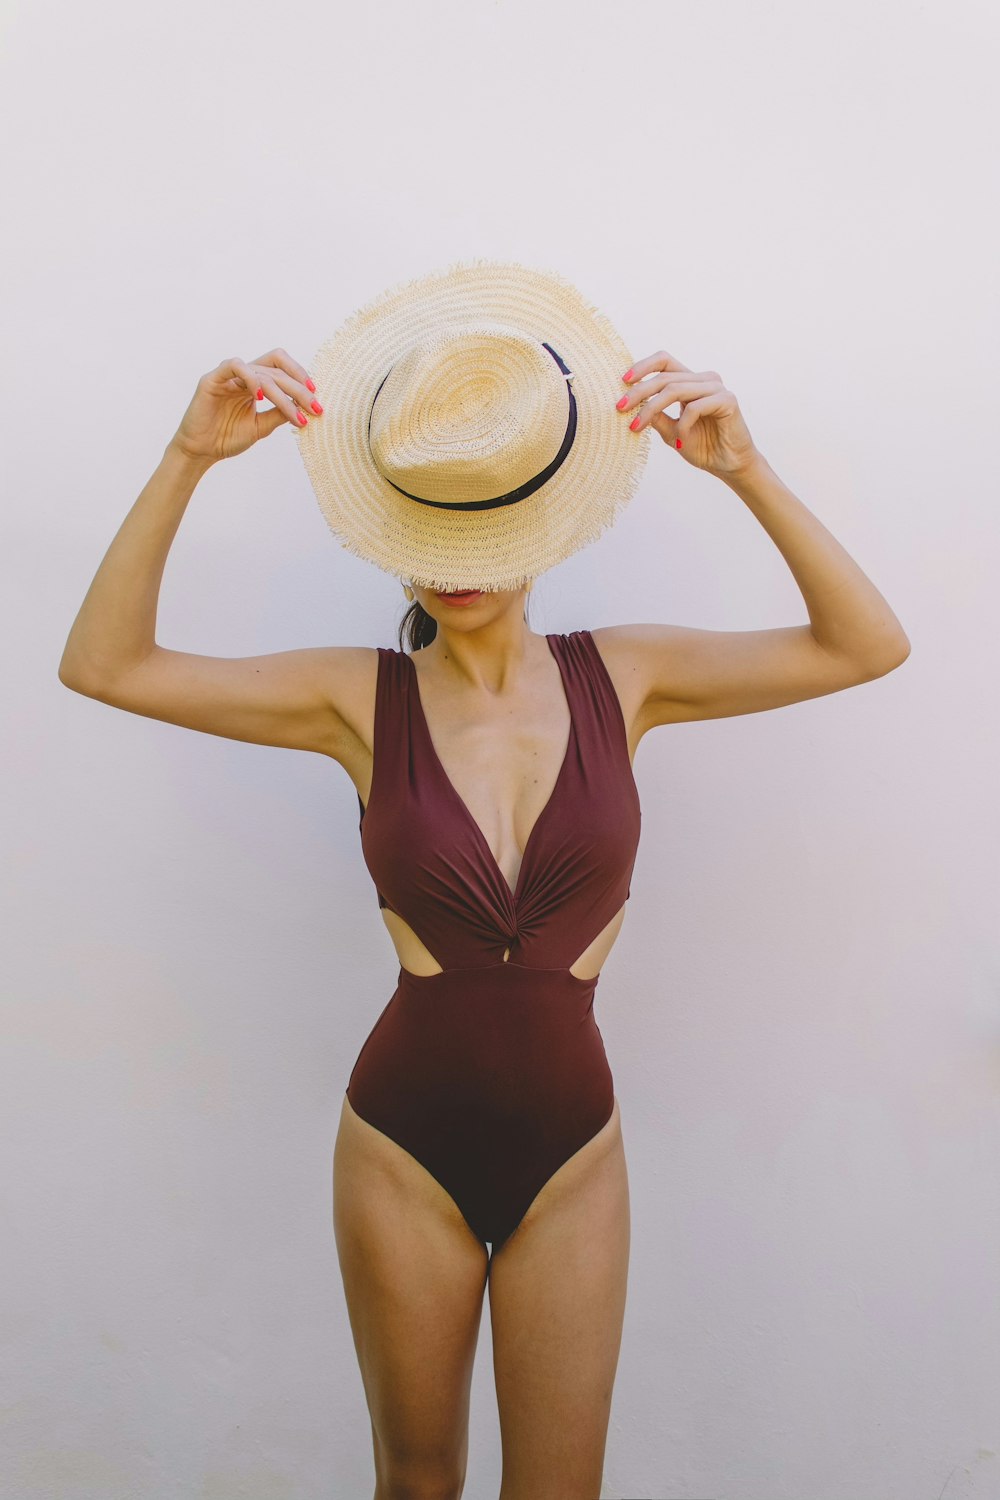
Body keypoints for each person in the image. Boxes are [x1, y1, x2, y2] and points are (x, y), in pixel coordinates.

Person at [58, 261, 910, 1500]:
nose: (453, 567)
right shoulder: (355, 698)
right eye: (423, 536)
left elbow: (864, 645)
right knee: (415, 1485)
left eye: (484, 532)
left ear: (543, 523)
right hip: (402, 1140)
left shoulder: (628, 675)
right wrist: (187, 456)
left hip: (574, 1150)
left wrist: (744, 472)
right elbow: (105, 665)